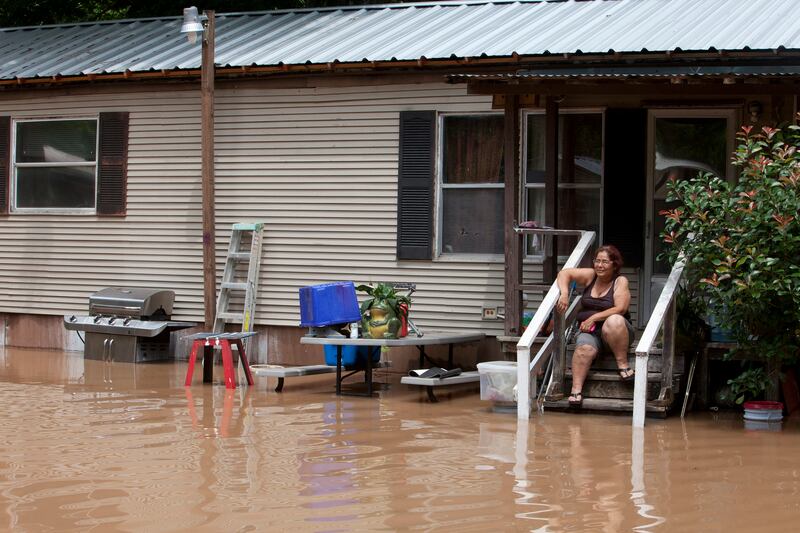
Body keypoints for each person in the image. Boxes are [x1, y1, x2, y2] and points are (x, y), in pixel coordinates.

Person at [554, 245, 634, 407]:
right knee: (584, 348)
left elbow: (621, 308)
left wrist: (594, 317)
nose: (599, 265)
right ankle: (576, 390)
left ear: (614, 264)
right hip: (590, 332)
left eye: (605, 261)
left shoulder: (620, 281)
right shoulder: (591, 276)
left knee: (614, 320)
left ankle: (623, 364)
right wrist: (563, 293)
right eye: (597, 261)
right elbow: (564, 273)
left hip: (617, 332)